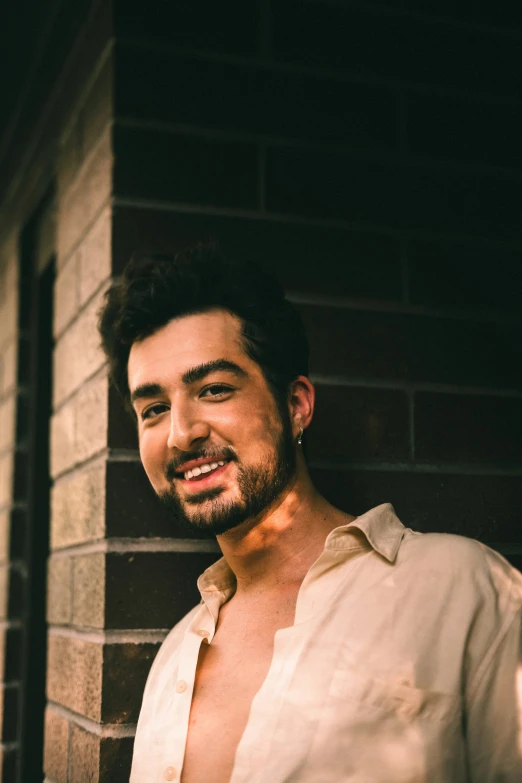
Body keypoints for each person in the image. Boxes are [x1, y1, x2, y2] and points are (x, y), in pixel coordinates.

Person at [98, 243, 522, 783]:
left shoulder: (463, 591)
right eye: (153, 409)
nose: (182, 433)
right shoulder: (174, 660)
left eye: (214, 389)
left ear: (296, 405)